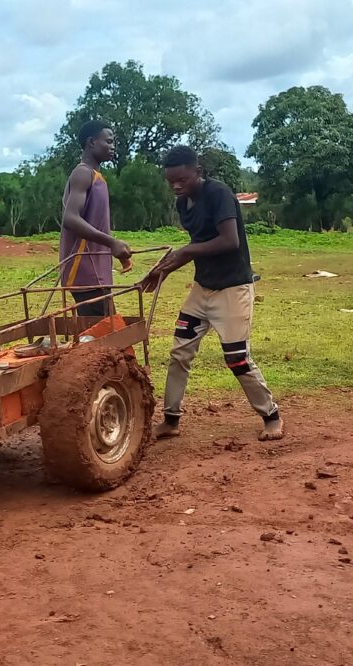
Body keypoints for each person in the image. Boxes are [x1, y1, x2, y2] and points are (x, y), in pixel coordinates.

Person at [142, 145, 284, 442]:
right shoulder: (184, 205)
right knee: (180, 352)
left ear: (198, 172)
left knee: (237, 359)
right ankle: (171, 420)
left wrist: (188, 251)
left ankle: (271, 416)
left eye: (182, 180)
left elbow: (229, 241)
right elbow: (199, 244)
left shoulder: (218, 194)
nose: (177, 187)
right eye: (171, 182)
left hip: (232, 289)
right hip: (202, 289)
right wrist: (164, 268)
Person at [60, 119, 133, 316]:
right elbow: (70, 218)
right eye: (108, 142)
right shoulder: (83, 173)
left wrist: (113, 249)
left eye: (113, 142)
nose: (112, 147)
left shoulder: (96, 176)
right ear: (91, 142)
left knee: (105, 334)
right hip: (84, 270)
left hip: (96, 270)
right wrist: (111, 242)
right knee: (101, 338)